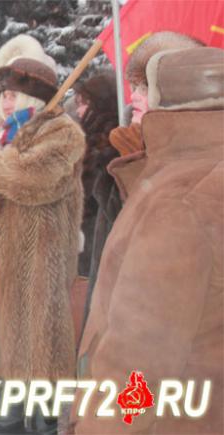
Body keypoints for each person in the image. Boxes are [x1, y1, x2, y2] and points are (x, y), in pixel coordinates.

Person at [72, 45, 224, 435]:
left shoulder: (178, 200)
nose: (133, 97)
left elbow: (139, 357)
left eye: (145, 88)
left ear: (172, 102)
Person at [0, 35, 84, 434]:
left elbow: (41, 177)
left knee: (40, 336)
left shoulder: (61, 131)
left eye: (13, 95)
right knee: (0, 335)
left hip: (41, 256)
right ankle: (8, 414)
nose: (6, 104)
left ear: (34, 97)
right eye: (3, 95)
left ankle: (43, 419)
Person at [72, 71, 119, 277]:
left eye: (83, 103)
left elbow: (92, 194)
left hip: (96, 237)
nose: (79, 110)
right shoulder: (86, 136)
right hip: (85, 236)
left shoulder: (107, 140)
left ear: (99, 104)